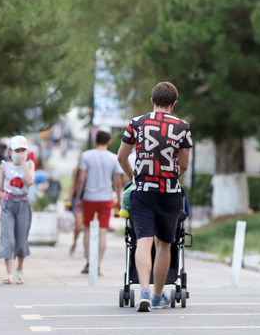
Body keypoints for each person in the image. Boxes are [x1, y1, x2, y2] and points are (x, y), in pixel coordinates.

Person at [117, 81, 193, 312]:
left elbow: (121, 157)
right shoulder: (183, 127)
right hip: (168, 192)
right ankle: (159, 295)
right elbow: (184, 164)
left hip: (142, 192)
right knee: (163, 244)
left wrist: (135, 177)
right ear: (174, 103)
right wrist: (169, 177)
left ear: (152, 101)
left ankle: (144, 292)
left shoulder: (136, 123)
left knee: (143, 241)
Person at [74, 130, 124, 275]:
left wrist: (78, 197)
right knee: (103, 232)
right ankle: (98, 264)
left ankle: (89, 262)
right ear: (109, 142)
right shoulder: (114, 158)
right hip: (106, 198)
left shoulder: (86, 156)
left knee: (88, 230)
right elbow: (117, 182)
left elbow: (81, 178)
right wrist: (119, 199)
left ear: (96, 141)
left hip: (89, 197)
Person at [0, 135, 35, 284]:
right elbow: (0, 189)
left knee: (21, 240)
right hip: (7, 204)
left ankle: (19, 270)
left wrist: (23, 163)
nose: (21, 154)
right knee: (8, 239)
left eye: (23, 150)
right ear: (10, 152)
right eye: (18, 150)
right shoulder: (4, 166)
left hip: (23, 204)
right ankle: (9, 273)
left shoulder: (29, 165)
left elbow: (29, 182)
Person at [68, 163, 84, 256]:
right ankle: (75, 242)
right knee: (78, 225)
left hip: (89, 198)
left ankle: (87, 249)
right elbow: (73, 185)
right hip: (76, 199)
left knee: (85, 226)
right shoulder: (77, 169)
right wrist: (69, 201)